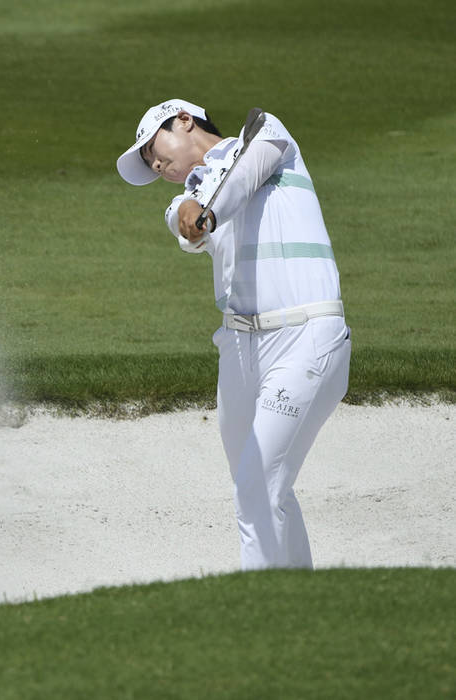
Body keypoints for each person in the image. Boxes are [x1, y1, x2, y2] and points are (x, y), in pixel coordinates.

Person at [116, 99, 351, 570]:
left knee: (257, 484)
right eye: (148, 164)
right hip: (238, 352)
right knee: (263, 487)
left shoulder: (271, 138)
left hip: (306, 333)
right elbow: (185, 220)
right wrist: (191, 206)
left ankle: (259, 620)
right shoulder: (187, 199)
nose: (155, 164)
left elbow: (242, 175)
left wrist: (207, 209)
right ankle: (304, 603)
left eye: (153, 148)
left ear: (184, 119)